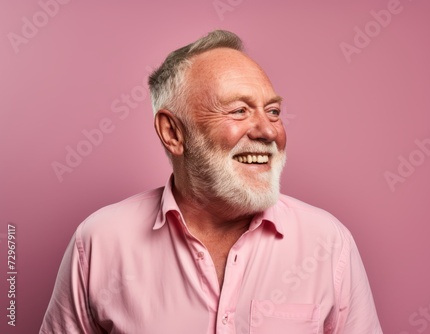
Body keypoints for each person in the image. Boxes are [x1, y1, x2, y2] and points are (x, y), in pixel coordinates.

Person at [40, 30, 382, 333]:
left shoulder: (328, 243)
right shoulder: (100, 242)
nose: (268, 131)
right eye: (239, 111)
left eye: (273, 111)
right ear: (173, 132)